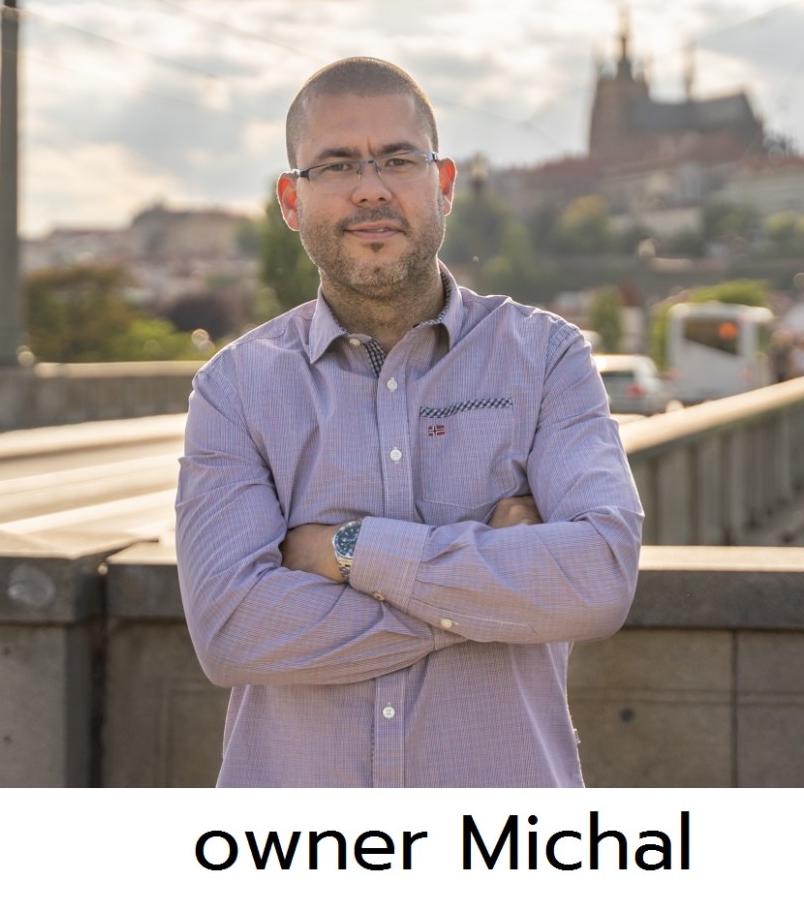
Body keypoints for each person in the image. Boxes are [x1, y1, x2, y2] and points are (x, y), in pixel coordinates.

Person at [175, 57, 643, 787]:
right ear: (291, 202)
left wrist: (347, 552)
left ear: (444, 185)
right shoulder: (234, 388)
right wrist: (489, 591)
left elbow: (599, 579)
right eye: (334, 165)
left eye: (397, 158)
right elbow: (234, 633)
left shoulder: (546, 357)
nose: (370, 187)